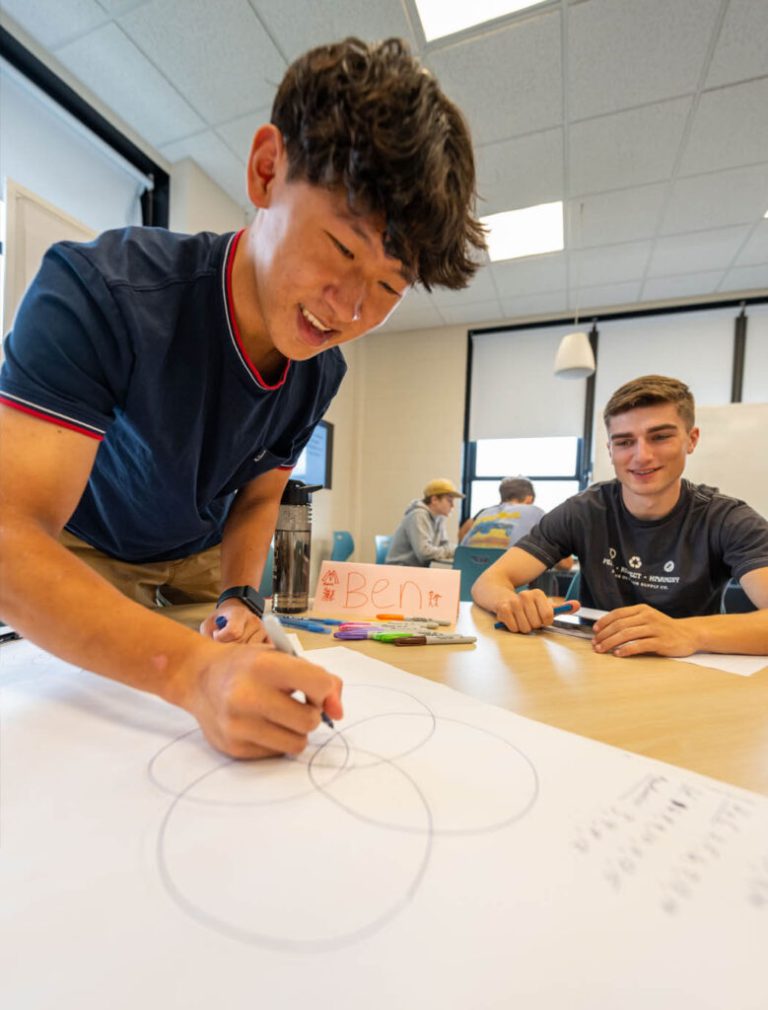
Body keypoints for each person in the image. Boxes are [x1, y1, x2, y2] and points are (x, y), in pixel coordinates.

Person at [0, 38, 486, 759]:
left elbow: (260, 495)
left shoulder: (320, 371)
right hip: (85, 546)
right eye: (342, 249)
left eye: (388, 286)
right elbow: (10, 538)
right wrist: (193, 672)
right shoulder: (101, 290)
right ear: (266, 171)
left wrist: (239, 596)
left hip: (198, 553)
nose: (348, 308)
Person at [472, 375, 768, 657]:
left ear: (691, 439)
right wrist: (512, 604)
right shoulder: (584, 511)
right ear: (610, 450)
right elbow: (488, 581)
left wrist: (688, 632)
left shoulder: (728, 520)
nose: (642, 456)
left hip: (693, 673)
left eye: (660, 437)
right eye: (625, 442)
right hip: (597, 662)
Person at [386, 478, 464, 567]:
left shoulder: (439, 518)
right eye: (449, 501)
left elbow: (445, 545)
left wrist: (450, 550)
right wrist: (453, 550)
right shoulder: (418, 515)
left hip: (416, 569)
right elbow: (425, 553)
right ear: (434, 500)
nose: (453, 505)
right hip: (400, 569)